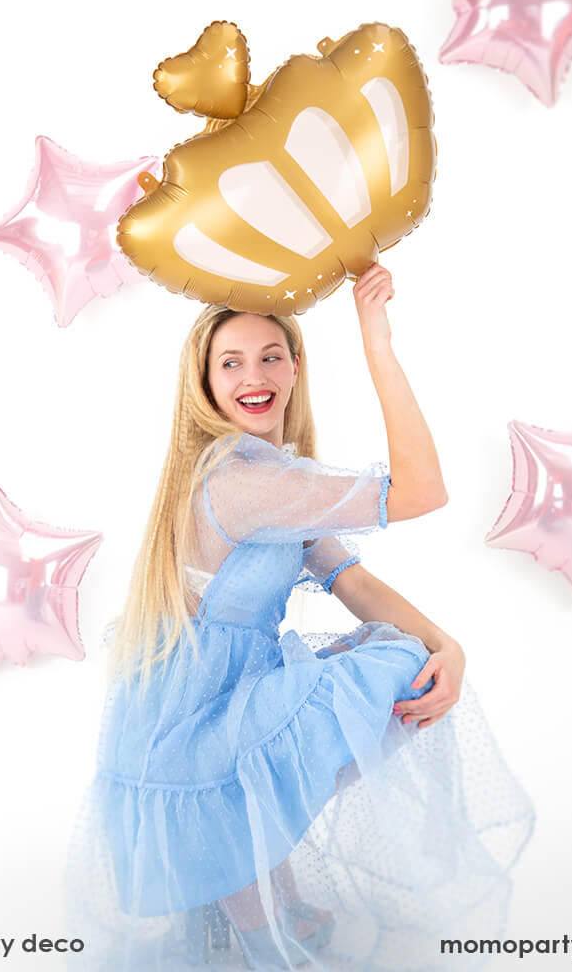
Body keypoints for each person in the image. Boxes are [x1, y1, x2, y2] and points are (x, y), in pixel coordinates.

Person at [62, 263, 536, 971]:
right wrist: (377, 340)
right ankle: (254, 920)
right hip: (187, 733)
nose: (252, 374)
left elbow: (355, 580)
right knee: (379, 675)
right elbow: (422, 489)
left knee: (402, 659)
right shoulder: (244, 481)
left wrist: (448, 645)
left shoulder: (274, 476)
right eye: (230, 362)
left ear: (293, 368)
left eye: (269, 356)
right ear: (206, 383)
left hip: (211, 713)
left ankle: (263, 899)